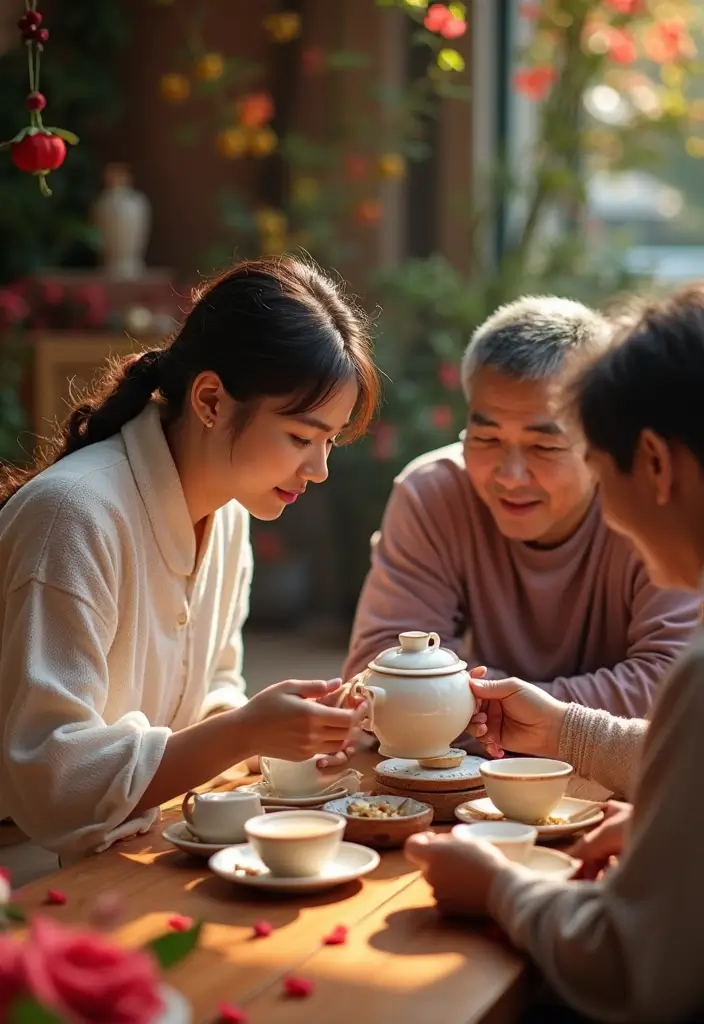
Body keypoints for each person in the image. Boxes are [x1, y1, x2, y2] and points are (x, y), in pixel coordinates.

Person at [0, 256, 380, 864]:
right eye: (301, 437)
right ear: (210, 400)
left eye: (329, 441)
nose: (319, 469)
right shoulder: (73, 516)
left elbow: (207, 702)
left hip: (137, 846)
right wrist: (244, 731)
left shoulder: (228, 513)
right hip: (25, 868)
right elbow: (51, 776)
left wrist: (278, 740)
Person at [405, 284, 704, 1023]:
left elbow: (631, 968)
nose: (514, 475)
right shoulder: (430, 494)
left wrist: (498, 886)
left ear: (656, 465)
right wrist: (570, 731)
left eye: (592, 464)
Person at [344, 296, 699, 719]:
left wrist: (465, 705)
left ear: (598, 437)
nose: (510, 476)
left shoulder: (644, 503)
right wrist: (528, 714)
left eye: (544, 445)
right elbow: (381, 672)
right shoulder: (435, 493)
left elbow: (672, 691)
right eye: (487, 438)